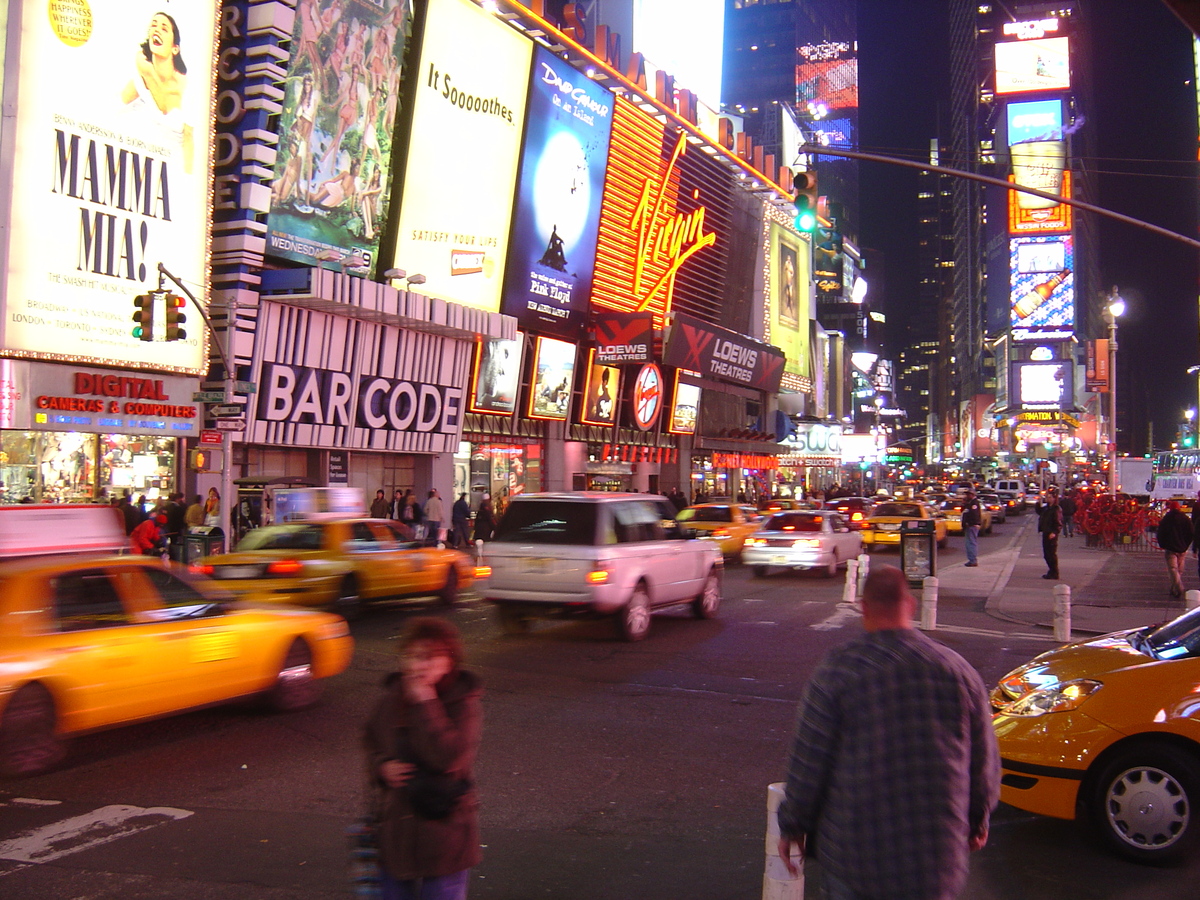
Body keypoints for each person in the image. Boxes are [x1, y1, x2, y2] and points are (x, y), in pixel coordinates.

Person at [777, 566, 999, 900]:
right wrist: (977, 818)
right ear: (909, 604)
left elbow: (809, 759)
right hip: (933, 858)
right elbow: (983, 761)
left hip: (857, 854)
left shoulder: (839, 669)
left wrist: (793, 824)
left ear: (864, 608)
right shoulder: (957, 672)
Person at [363, 617, 482, 900]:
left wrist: (426, 702)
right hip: (396, 830)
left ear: (449, 661)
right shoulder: (390, 698)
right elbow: (369, 740)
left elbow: (449, 757)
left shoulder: (463, 703)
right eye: (413, 657)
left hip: (444, 831)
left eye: (430, 658)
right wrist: (381, 767)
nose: (419, 666)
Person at [121, 12, 193, 174]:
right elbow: (117, 104)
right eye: (153, 25)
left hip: (175, 169)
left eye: (164, 28)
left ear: (175, 48)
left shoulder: (185, 86)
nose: (157, 30)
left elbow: (189, 140)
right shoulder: (141, 76)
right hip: (144, 166)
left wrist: (188, 179)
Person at [1157, 500, 1194, 598]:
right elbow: (1191, 533)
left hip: (1170, 548)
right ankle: (1174, 588)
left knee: (1173, 569)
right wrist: (1186, 545)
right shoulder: (1185, 519)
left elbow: (1161, 533)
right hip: (1182, 548)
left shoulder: (1167, 519)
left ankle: (1178, 587)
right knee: (1179, 570)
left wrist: (1163, 544)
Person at [1037, 488, 1063, 580]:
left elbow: (1058, 522)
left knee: (1051, 554)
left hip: (1051, 534)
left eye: (1049, 497)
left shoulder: (1056, 509)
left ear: (1053, 498)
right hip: (1046, 532)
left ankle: (1054, 572)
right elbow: (1039, 512)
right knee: (1046, 554)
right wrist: (1038, 501)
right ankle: (1051, 571)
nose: (1047, 499)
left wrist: (1054, 532)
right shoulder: (1047, 508)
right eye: (1047, 497)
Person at [961, 490, 982, 567]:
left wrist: (970, 523)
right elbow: (963, 511)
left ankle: (972, 560)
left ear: (972, 495)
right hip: (970, 526)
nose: (966, 496)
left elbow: (974, 515)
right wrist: (964, 504)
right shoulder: (970, 503)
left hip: (972, 526)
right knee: (969, 543)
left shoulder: (974, 503)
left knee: (971, 543)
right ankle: (972, 559)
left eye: (968, 495)